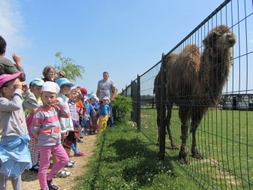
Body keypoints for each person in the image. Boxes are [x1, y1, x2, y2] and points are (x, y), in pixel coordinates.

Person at [0, 72, 38, 190]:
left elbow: (33, 104)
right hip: (9, 142)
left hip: (20, 141)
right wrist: (18, 90)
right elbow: (15, 105)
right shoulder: (2, 101)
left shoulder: (18, 100)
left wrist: (27, 92)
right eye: (14, 85)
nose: (18, 86)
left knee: (16, 173)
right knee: (4, 173)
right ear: (5, 89)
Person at [31, 81, 70, 190]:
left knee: (65, 160)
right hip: (45, 144)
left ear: (56, 97)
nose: (49, 99)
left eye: (51, 97)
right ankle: (44, 187)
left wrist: (61, 102)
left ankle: (49, 177)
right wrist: (40, 138)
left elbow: (66, 114)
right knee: (44, 166)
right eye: (46, 96)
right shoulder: (40, 112)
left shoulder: (55, 108)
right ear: (41, 96)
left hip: (56, 143)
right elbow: (34, 129)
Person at [55, 77, 76, 167]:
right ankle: (61, 163)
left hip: (64, 126)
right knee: (60, 146)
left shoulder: (64, 99)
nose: (69, 88)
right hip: (61, 127)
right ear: (60, 87)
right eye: (67, 86)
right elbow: (63, 116)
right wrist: (63, 129)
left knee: (63, 144)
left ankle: (64, 161)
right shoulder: (59, 100)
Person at [26, 78, 44, 172]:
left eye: (41, 88)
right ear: (31, 88)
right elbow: (34, 110)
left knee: (36, 146)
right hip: (31, 125)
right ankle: (33, 164)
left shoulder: (41, 99)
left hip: (38, 125)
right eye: (37, 88)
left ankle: (35, 162)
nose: (40, 90)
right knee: (32, 146)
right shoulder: (28, 99)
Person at [67, 86, 85, 156]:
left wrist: (78, 91)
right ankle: (72, 151)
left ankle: (76, 151)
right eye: (73, 93)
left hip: (75, 121)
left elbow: (80, 97)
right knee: (69, 138)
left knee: (75, 137)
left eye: (75, 94)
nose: (75, 95)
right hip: (69, 122)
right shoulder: (66, 101)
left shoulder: (73, 102)